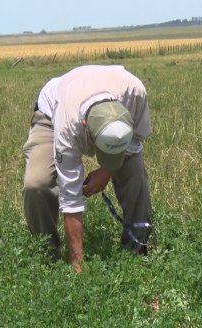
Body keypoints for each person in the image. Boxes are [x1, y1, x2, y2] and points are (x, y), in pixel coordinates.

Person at [23, 65, 152, 272]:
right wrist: (78, 264)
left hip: (94, 102)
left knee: (135, 176)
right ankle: (46, 257)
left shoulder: (134, 92)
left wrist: (106, 171)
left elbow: (135, 139)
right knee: (37, 183)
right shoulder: (68, 124)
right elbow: (70, 196)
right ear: (85, 127)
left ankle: (136, 250)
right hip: (51, 114)